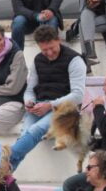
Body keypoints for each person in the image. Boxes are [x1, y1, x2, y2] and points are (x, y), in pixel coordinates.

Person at [9, 25, 86, 169]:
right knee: (25, 135)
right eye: (44, 50)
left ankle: (4, 160)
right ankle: (5, 177)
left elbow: (78, 96)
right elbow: (30, 89)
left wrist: (50, 105)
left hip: (65, 110)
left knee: (34, 130)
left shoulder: (75, 60)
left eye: (52, 48)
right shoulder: (38, 60)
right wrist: (29, 101)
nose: (49, 53)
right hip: (39, 106)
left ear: (58, 40)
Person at [63, 68, 106, 191]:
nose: (103, 89)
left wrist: (98, 107)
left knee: (73, 186)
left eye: (105, 85)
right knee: (71, 185)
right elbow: (104, 142)